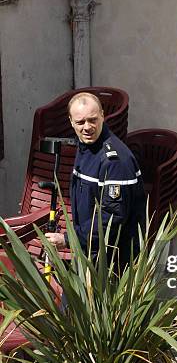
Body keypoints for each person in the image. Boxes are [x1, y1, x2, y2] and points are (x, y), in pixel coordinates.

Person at [45, 92, 146, 269]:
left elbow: (111, 217)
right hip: (89, 252)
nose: (87, 127)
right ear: (71, 121)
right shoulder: (86, 147)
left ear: (103, 115)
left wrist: (69, 239)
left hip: (113, 262)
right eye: (80, 122)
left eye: (93, 120)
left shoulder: (114, 160)